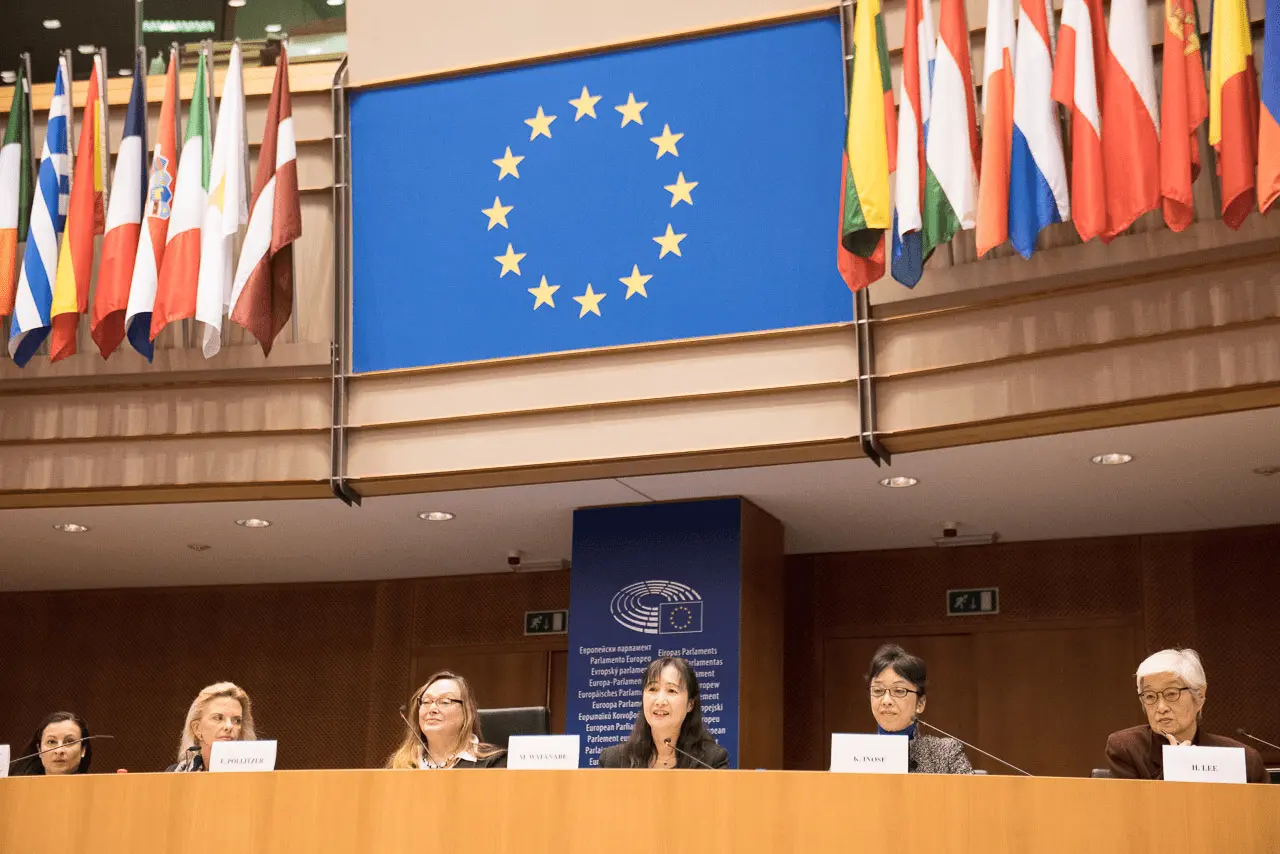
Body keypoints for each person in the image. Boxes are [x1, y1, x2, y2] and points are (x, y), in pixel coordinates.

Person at [1105, 648, 1267, 782]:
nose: (1161, 707)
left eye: (1171, 693)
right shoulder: (1127, 748)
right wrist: (1175, 769)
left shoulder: (1245, 760)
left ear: (1200, 696)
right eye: (1150, 696)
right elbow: (1130, 810)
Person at [598, 656, 729, 769]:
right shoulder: (613, 761)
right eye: (652, 689)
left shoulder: (711, 762)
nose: (660, 701)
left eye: (671, 690)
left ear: (690, 704)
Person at [866, 644, 972, 774]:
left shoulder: (947, 753)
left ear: (920, 704)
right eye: (878, 690)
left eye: (899, 691)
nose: (886, 701)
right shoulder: (852, 753)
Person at [386, 670, 507, 769]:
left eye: (444, 702)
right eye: (426, 702)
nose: (432, 709)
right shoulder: (399, 766)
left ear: (466, 712)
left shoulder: (493, 764)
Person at [167, 682, 258, 772]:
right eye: (219, 718)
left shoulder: (256, 773)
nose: (229, 726)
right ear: (197, 729)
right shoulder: (174, 774)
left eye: (237, 720)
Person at [10, 711, 94, 776]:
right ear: (39, 750)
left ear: (83, 750)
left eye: (69, 741)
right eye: (51, 742)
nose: (59, 750)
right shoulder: (18, 789)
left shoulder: (96, 789)